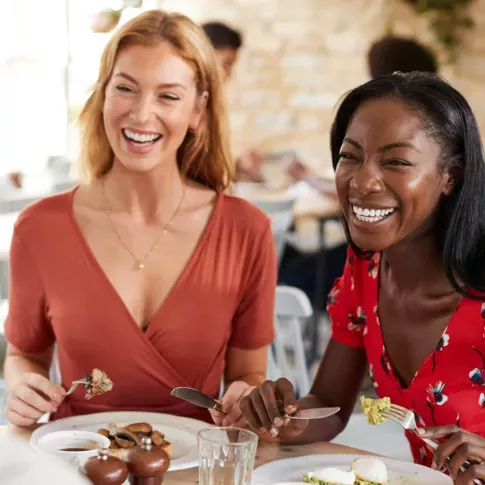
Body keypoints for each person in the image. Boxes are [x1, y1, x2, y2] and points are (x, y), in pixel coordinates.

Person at [3, 10, 276, 429]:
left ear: (198, 110)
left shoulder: (247, 230)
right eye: (126, 89)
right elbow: (24, 356)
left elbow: (248, 375)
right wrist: (23, 386)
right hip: (76, 460)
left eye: (168, 96)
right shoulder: (40, 227)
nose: (142, 114)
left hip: (194, 464)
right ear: (103, 95)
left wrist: (245, 397)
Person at [241, 72, 485, 484]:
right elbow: (330, 404)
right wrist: (284, 416)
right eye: (350, 156)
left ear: (450, 177)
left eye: (395, 162)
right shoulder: (365, 273)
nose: (361, 181)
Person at [280, 35, 440, 312]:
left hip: (389, 256)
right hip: (404, 254)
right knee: (290, 261)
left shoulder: (399, 123)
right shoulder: (438, 122)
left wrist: (307, 178)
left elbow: (374, 189)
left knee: (291, 274)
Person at [202, 21, 265, 183]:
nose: (228, 73)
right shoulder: (181, 100)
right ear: (202, 55)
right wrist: (233, 155)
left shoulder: (211, 100)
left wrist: (238, 153)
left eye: (231, 66)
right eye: (225, 64)